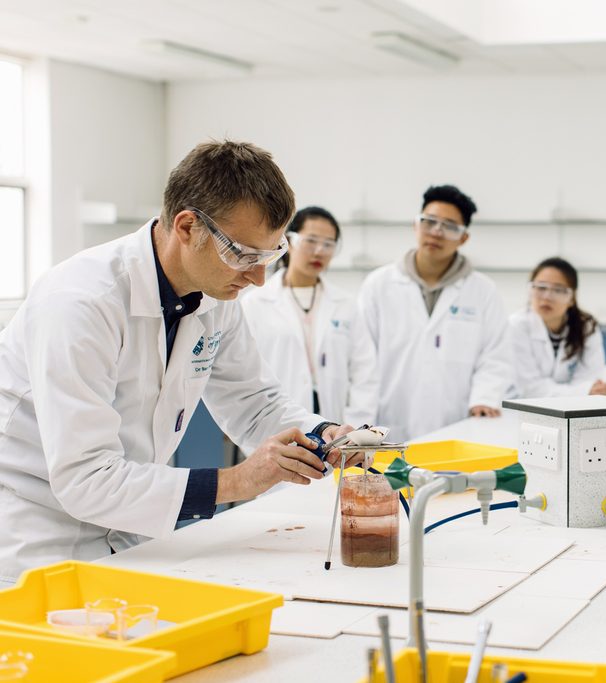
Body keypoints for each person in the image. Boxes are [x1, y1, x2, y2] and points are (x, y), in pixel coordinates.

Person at [0, 141, 362, 583]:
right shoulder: (80, 303)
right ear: (188, 226)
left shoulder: (215, 292)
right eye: (245, 255)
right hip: (39, 537)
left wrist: (323, 435)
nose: (258, 277)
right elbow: (85, 479)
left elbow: (254, 402)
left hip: (131, 531)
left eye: (270, 256)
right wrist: (238, 482)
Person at [358, 184, 513, 441]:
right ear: (415, 225)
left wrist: (484, 398)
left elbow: (496, 356)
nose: (437, 232)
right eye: (429, 221)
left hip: (458, 421)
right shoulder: (379, 285)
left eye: (450, 226)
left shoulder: (483, 291)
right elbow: (362, 358)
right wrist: (361, 419)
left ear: (464, 238)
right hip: (389, 419)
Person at [241, 206, 377, 427]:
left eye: (328, 244)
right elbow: (246, 373)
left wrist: (356, 429)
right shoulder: (255, 303)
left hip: (337, 425)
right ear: (289, 241)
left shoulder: (347, 305)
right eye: (311, 241)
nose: (319, 251)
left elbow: (364, 372)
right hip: (277, 423)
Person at [509, 257, 606, 398]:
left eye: (558, 290)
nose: (547, 297)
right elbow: (530, 388)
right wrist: (582, 391)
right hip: (518, 409)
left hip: (571, 409)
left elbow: (590, 377)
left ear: (571, 298)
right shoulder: (516, 326)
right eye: (540, 287)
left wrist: (585, 390)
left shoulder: (586, 326)